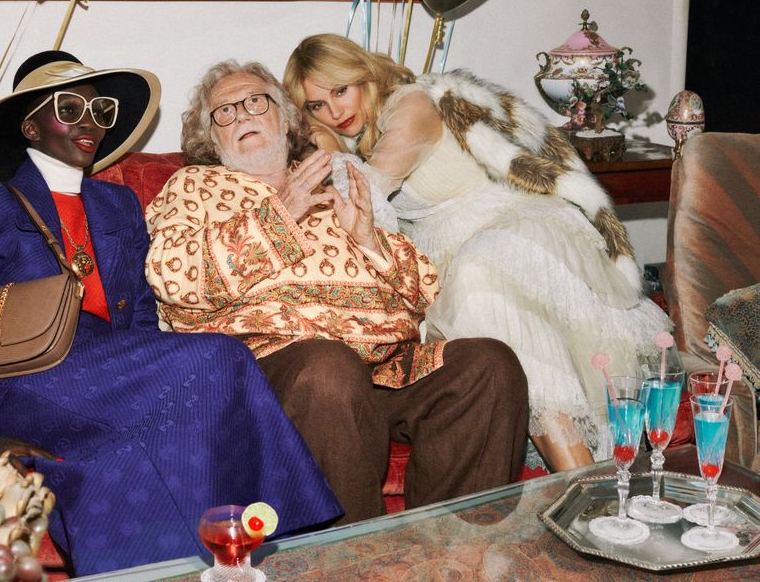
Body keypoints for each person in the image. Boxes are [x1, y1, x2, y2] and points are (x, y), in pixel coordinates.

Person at [0, 51, 341, 575]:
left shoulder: (118, 204)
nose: (90, 122)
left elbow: (143, 319)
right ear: (30, 127)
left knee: (133, 447)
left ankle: (229, 564)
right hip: (25, 378)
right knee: (219, 357)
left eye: (100, 110)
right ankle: (301, 546)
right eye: (69, 108)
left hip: (114, 374)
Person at [145, 60, 529, 524]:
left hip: (379, 367)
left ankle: (453, 550)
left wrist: (368, 239)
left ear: (285, 118)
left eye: (255, 102)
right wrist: (279, 215)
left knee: (488, 364)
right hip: (267, 369)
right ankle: (352, 557)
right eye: (224, 112)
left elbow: (425, 290)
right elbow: (171, 274)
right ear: (211, 139)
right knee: (329, 369)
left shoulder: (331, 183)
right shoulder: (194, 187)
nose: (242, 114)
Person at [283, 33, 673, 471]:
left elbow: (365, 198)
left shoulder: (411, 107)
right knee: (481, 302)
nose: (335, 112)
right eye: (317, 106)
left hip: (512, 228)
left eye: (340, 91)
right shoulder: (366, 134)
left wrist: (328, 148)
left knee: (478, 282)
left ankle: (584, 484)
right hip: (460, 248)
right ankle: (586, 485)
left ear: (364, 75)